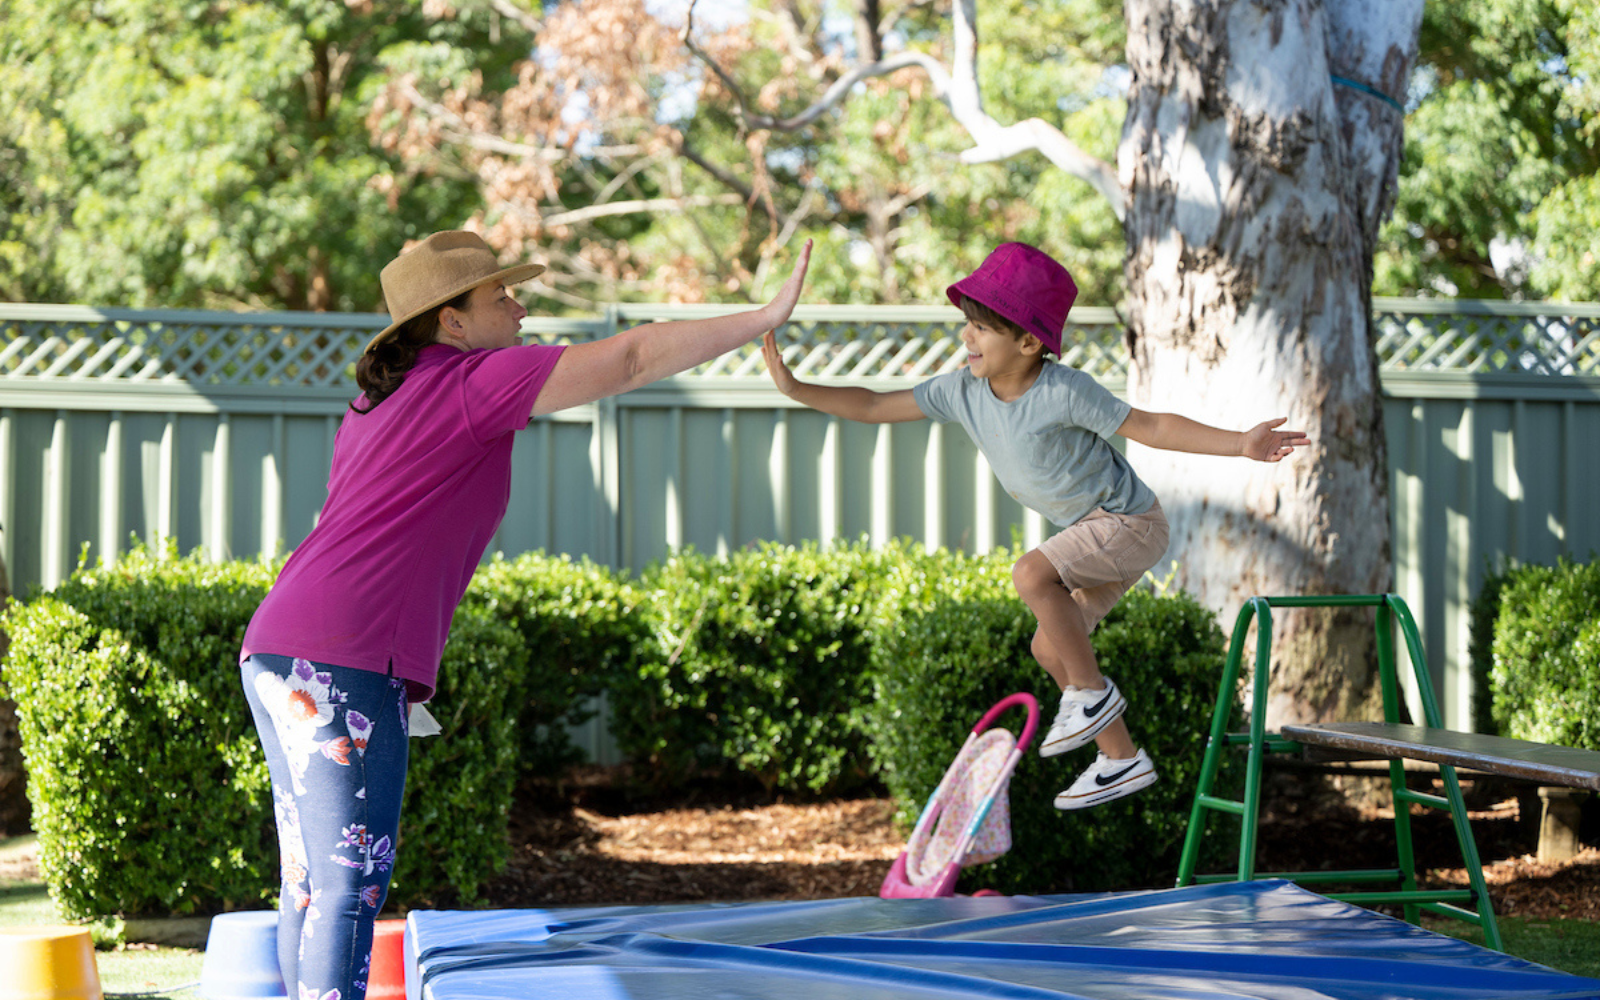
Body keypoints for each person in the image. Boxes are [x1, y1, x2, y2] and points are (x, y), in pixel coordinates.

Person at [240, 230, 811, 1000]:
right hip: (343, 654)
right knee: (351, 882)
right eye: (500, 294)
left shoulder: (379, 401)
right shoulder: (472, 383)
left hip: (279, 644)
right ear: (451, 320)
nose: (520, 305)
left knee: (310, 879)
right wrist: (763, 314)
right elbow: (635, 358)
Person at [761, 241, 1306, 812]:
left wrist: (1239, 444)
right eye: (967, 324)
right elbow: (874, 406)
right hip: (1093, 534)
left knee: (1030, 574)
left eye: (982, 328)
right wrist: (798, 389)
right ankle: (1121, 758)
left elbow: (1151, 426)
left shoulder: (1063, 390)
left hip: (1129, 524)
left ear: (1027, 341)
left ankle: (1092, 697)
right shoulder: (961, 392)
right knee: (1050, 648)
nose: (967, 338)